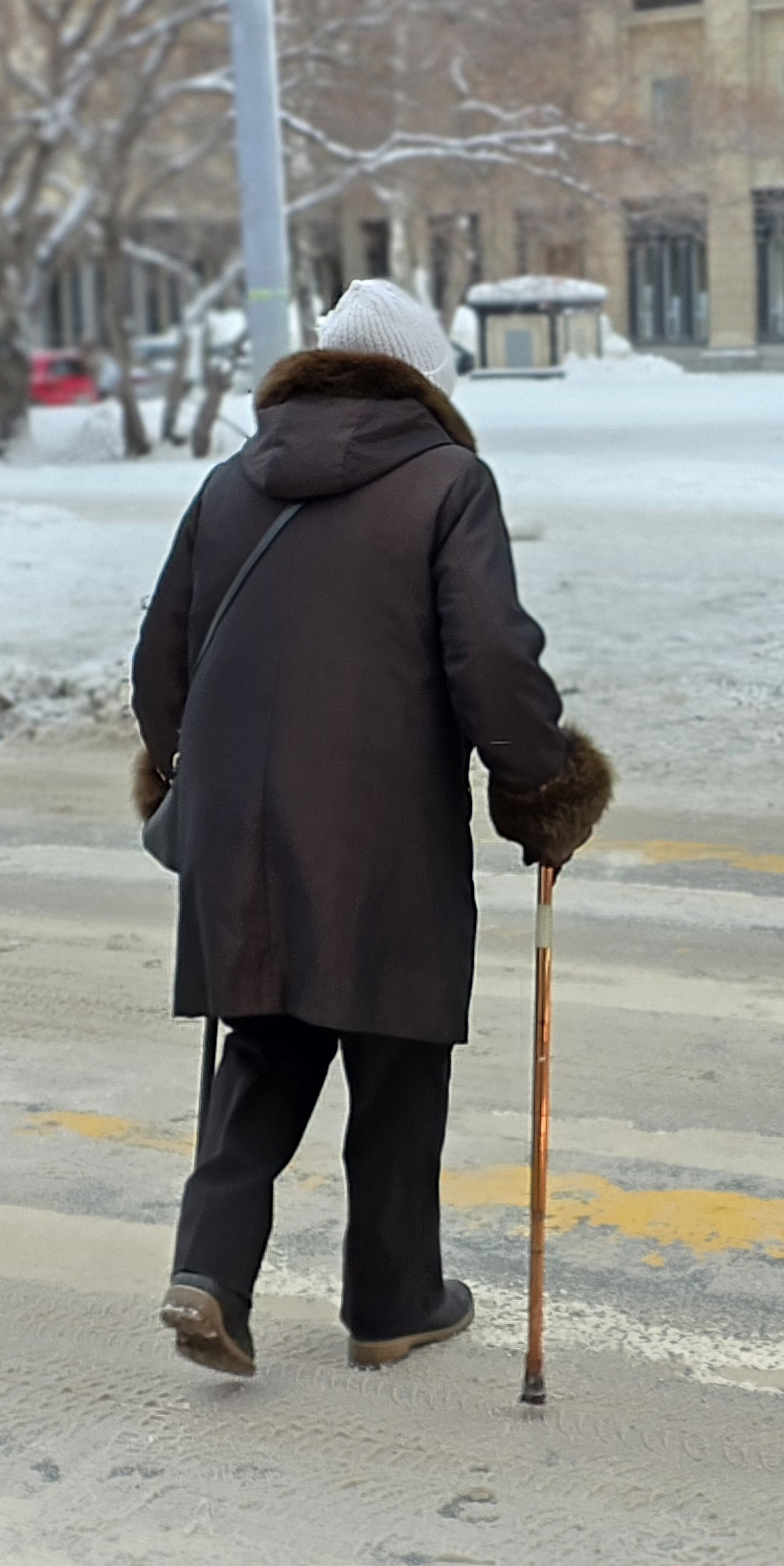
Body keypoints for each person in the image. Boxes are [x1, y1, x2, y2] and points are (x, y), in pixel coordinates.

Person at [129, 278, 613, 1381]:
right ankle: (391, 1302)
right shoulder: (448, 482)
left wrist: (179, 775)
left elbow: (162, 656)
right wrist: (540, 788)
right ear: (424, 380)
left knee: (260, 1047)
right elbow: (489, 655)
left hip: (240, 835)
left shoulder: (226, 484)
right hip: (386, 837)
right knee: (395, 1061)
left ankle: (208, 1272)